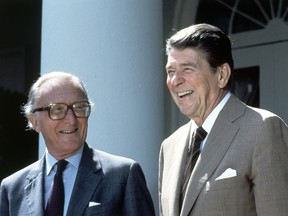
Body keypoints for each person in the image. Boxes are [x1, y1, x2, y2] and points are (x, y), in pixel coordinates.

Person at [159, 23, 288, 216]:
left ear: (222, 74)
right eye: (171, 71)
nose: (176, 80)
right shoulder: (169, 147)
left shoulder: (262, 128)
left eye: (187, 69)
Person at [0, 71, 155, 216]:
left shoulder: (123, 175)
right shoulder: (12, 189)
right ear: (35, 121)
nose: (71, 119)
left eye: (79, 108)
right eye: (57, 109)